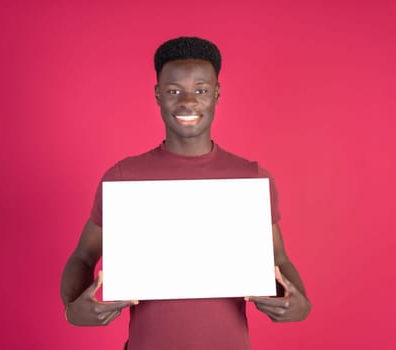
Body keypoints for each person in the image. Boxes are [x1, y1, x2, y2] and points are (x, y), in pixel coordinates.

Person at [60, 36, 311, 350]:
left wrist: (299, 303)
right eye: (174, 90)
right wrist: (73, 308)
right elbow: (84, 256)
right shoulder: (124, 177)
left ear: (216, 94)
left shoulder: (250, 177)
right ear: (158, 95)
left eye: (201, 90)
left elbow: (279, 259)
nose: (188, 102)